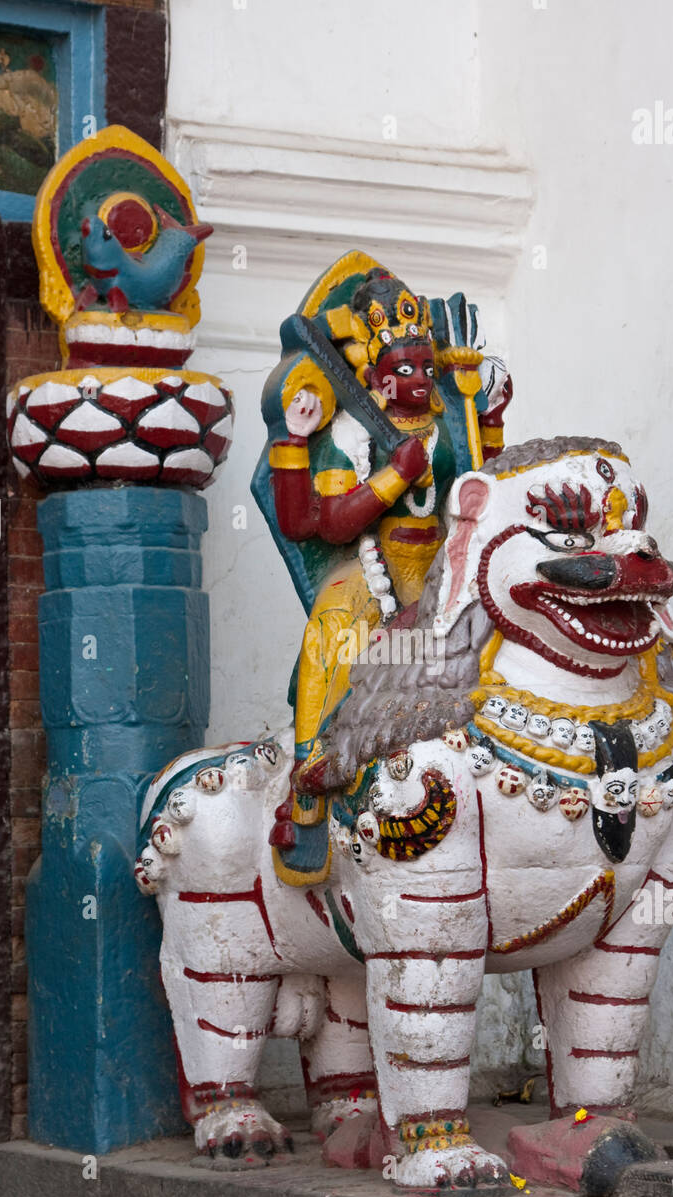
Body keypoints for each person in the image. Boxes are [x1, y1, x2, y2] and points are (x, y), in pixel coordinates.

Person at [253, 257, 512, 883]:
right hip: (373, 565)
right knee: (333, 632)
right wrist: (394, 473)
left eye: (426, 366)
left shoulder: (449, 418)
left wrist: (493, 416)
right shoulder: (351, 431)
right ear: (373, 374)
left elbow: (486, 478)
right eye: (403, 369)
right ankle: (310, 780)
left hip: (441, 561)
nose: (419, 379)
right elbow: (335, 523)